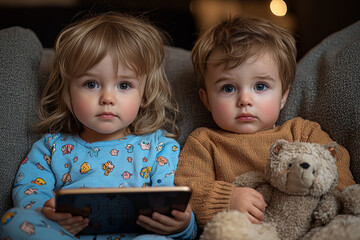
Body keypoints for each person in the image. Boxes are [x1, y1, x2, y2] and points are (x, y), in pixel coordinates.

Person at [0, 12, 196, 240]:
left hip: (138, 236)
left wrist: (182, 225)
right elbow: (29, 190)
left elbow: (173, 205)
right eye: (91, 84)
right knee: (13, 220)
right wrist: (48, 213)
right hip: (66, 235)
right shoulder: (51, 148)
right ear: (68, 93)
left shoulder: (160, 148)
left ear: (145, 95)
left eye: (124, 85)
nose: (107, 98)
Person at [174, 15, 355, 229]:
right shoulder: (205, 142)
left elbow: (335, 162)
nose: (245, 100)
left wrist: (344, 200)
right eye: (228, 88)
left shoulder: (301, 132)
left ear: (283, 97)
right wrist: (228, 199)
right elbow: (188, 188)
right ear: (206, 100)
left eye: (260, 86)